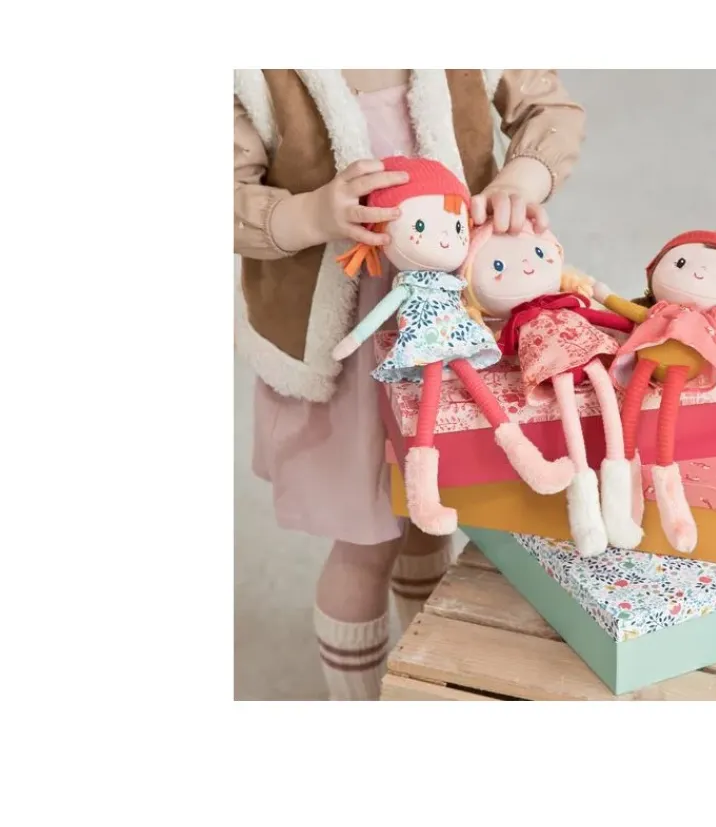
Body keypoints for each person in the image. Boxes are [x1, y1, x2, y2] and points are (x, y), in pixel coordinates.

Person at [234, 69, 584, 698]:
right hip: (347, 346)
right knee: (366, 542)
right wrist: (312, 213)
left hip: (449, 322)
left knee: (431, 516)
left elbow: (549, 108)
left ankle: (424, 677)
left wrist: (521, 180)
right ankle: (360, 700)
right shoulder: (255, 75)